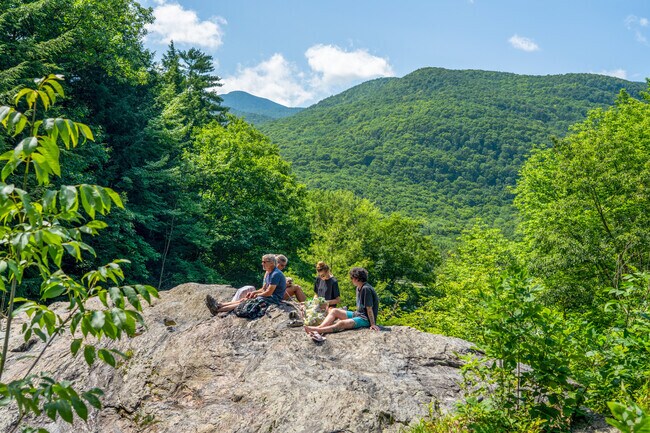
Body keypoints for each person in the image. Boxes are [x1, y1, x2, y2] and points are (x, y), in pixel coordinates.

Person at [304, 267, 380, 335]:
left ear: (356, 278)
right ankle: (319, 327)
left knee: (341, 323)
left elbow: (369, 308)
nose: (351, 280)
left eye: (351, 278)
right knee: (334, 311)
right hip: (358, 314)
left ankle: (318, 330)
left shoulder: (366, 289)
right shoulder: (358, 288)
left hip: (365, 319)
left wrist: (372, 324)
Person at [206, 254, 287, 315]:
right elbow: (263, 289)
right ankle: (219, 305)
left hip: (274, 299)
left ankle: (217, 310)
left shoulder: (275, 274)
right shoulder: (269, 273)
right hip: (269, 296)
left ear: (272, 263)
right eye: (262, 262)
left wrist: (257, 296)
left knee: (245, 301)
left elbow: (269, 292)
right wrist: (254, 293)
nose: (262, 264)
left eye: (264, 262)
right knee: (244, 299)